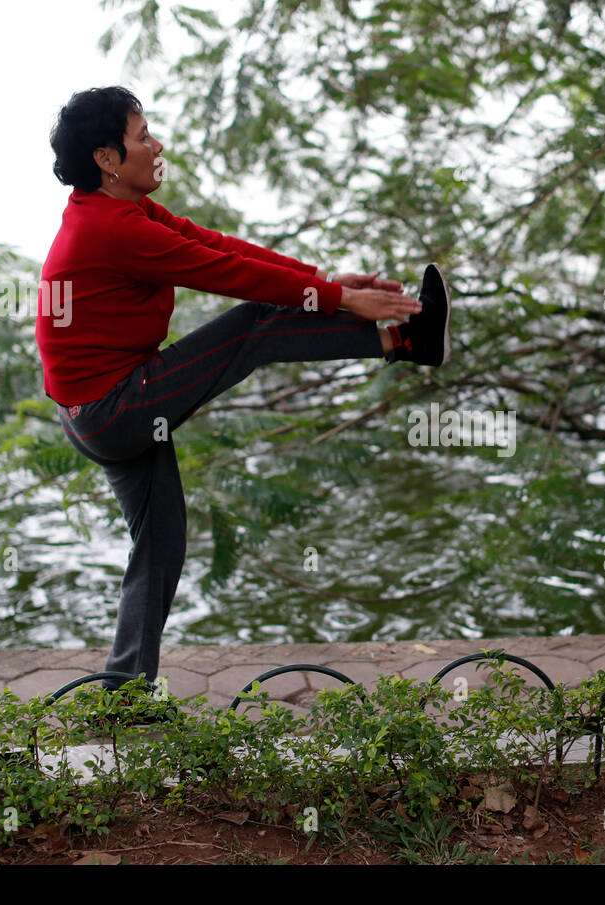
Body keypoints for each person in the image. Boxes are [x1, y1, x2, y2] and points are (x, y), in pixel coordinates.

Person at [34, 86, 451, 697]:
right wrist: (338, 300)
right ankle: (403, 344)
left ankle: (124, 698)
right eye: (142, 136)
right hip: (114, 409)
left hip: (98, 411)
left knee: (160, 544)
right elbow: (228, 277)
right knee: (254, 327)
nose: (156, 145)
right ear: (106, 159)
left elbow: (217, 246)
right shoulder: (114, 231)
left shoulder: (124, 212)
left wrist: (320, 280)